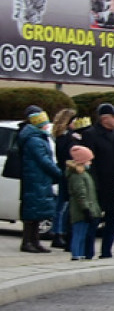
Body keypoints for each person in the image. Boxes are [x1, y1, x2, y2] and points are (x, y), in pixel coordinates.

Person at [80, 102, 114, 258]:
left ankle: (106, 252)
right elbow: (89, 162)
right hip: (98, 185)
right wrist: (93, 185)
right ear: (104, 118)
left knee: (112, 220)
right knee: (93, 220)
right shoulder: (91, 134)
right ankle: (88, 253)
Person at [17, 105, 62, 253]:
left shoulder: (37, 137)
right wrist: (58, 173)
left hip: (39, 178)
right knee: (32, 211)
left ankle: (35, 241)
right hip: (35, 179)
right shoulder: (34, 140)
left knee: (37, 212)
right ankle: (27, 242)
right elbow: (44, 160)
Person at [50, 107, 80, 249]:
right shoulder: (66, 137)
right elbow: (67, 155)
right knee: (63, 205)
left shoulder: (63, 136)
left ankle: (58, 232)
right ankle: (58, 232)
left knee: (61, 204)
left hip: (64, 172)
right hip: (66, 173)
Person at [66, 144, 101, 260]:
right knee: (78, 234)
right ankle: (76, 254)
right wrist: (86, 209)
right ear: (82, 161)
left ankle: (79, 254)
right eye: (89, 161)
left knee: (82, 234)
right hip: (80, 210)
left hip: (84, 209)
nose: (90, 163)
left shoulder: (83, 174)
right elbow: (81, 194)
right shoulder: (78, 176)